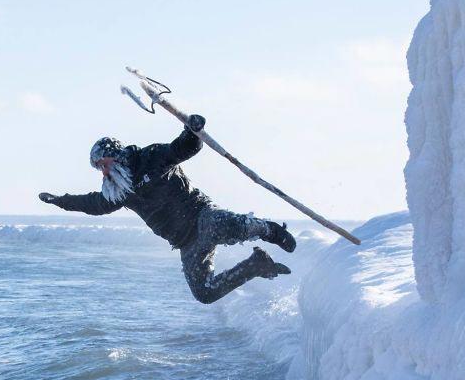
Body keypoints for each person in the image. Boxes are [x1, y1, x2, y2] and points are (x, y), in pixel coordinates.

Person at [39, 115, 295, 303]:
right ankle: (256, 266)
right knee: (205, 292)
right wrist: (59, 200)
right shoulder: (120, 191)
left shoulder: (150, 158)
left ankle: (269, 230)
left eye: (103, 164)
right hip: (186, 244)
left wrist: (192, 131)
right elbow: (91, 204)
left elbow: (181, 149)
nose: (103, 171)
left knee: (227, 226)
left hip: (201, 217)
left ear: (116, 155)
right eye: (98, 168)